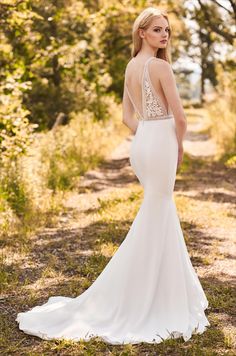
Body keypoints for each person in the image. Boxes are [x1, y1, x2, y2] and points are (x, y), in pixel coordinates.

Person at [16, 7, 210, 345]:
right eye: (157, 30)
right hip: (160, 140)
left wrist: (148, 136)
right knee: (158, 211)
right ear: (142, 33)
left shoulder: (131, 67)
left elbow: (126, 117)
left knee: (158, 213)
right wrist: (176, 146)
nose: (164, 35)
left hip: (143, 142)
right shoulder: (161, 67)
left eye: (166, 30)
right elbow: (180, 117)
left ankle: (161, 289)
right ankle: (145, 296)